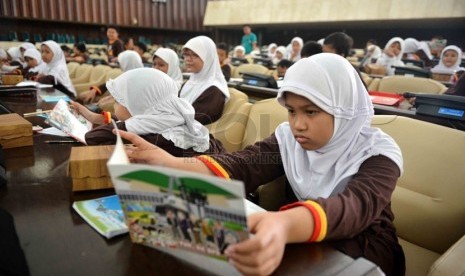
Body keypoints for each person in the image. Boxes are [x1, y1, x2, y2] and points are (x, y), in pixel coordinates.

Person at [117, 53, 405, 276]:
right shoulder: (289, 138)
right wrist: (171, 162)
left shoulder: (378, 153)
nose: (298, 124)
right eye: (291, 111)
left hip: (362, 252)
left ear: (343, 110)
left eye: (312, 111)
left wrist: (283, 224)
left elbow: (354, 207)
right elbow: (243, 165)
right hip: (300, 236)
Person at [72, 68, 225, 156]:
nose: (114, 106)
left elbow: (92, 137)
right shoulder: (170, 119)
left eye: (119, 101)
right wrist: (93, 117)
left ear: (139, 106)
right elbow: (131, 121)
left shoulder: (152, 136)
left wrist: (127, 125)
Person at [179, 36, 229, 125]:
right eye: (186, 54)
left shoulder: (214, 91)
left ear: (207, 57)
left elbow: (194, 120)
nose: (187, 59)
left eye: (194, 55)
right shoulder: (187, 83)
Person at [78, 50, 143, 103]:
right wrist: (94, 90)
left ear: (127, 63)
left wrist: (110, 98)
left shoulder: (140, 80)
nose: (120, 66)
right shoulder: (128, 74)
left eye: (121, 63)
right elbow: (111, 83)